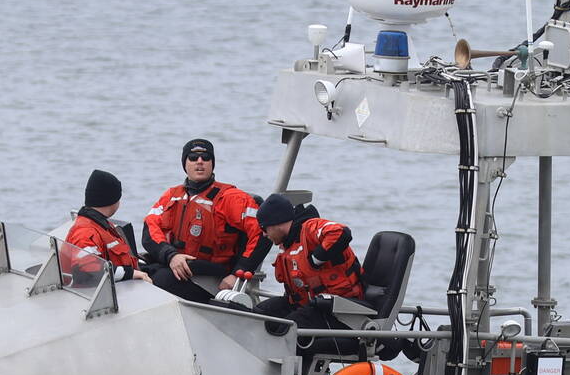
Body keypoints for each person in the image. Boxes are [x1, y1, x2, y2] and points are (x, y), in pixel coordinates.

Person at [142, 138, 265, 303]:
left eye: (206, 157)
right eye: (193, 158)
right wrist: (171, 256)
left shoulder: (231, 198)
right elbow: (150, 228)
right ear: (185, 164)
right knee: (139, 269)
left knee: (162, 279)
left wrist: (238, 273)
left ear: (212, 164)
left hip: (213, 273)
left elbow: (263, 232)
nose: (200, 162)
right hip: (179, 262)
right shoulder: (172, 195)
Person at [245, 192, 365, 342]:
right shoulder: (288, 244)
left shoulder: (310, 228)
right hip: (307, 305)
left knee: (287, 329)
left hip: (338, 310)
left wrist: (316, 259)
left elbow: (341, 233)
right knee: (257, 317)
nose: (263, 234)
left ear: (277, 223)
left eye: (264, 228)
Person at [61, 169, 139, 285]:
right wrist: (130, 273)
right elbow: (87, 272)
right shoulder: (85, 233)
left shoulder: (101, 224)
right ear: (112, 200)